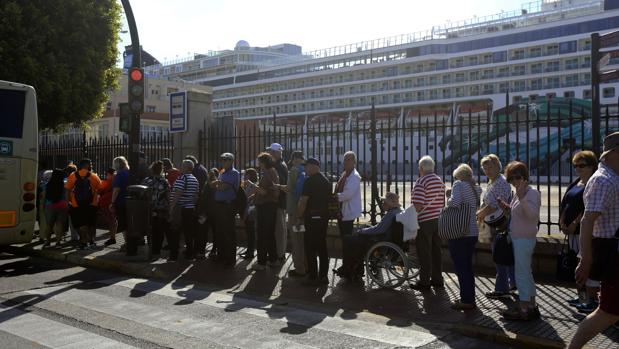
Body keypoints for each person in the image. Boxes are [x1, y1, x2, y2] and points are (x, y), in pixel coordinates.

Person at [569, 132, 619, 349]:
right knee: (608, 313)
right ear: (615, 153)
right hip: (613, 254)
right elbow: (588, 222)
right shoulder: (602, 180)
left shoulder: (613, 177)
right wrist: (586, 260)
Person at [499, 161, 541, 321]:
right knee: (526, 272)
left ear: (525, 176)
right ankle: (531, 305)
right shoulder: (520, 192)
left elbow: (532, 216)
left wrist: (522, 197)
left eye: (518, 177)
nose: (515, 181)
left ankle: (524, 308)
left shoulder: (531, 193)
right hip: (519, 237)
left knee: (521, 274)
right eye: (511, 178)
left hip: (524, 238)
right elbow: (519, 213)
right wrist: (506, 207)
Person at [560, 151, 599, 313]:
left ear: (592, 166)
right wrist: (562, 221)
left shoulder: (593, 183)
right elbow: (566, 203)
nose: (578, 169)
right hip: (571, 231)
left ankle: (592, 300)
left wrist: (574, 224)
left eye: (582, 166)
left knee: (585, 264)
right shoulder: (577, 182)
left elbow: (587, 210)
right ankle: (582, 298)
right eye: (575, 166)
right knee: (577, 265)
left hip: (582, 231)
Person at [337, 192, 403, 281]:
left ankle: (349, 268)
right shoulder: (397, 211)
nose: (382, 204)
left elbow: (379, 229)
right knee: (357, 236)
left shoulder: (391, 214)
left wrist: (362, 231)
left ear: (389, 204)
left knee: (348, 239)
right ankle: (354, 269)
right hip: (386, 238)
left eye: (384, 202)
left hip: (380, 240)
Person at [477, 154, 516, 299]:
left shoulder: (499, 182)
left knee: (500, 256)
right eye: (485, 168)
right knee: (506, 254)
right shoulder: (493, 181)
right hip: (498, 223)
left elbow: (493, 205)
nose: (487, 170)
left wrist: (480, 213)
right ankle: (512, 283)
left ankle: (501, 288)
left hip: (500, 223)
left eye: (490, 167)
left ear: (498, 166)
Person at [445, 164, 482, 310]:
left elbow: (455, 203)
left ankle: (466, 300)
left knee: (461, 267)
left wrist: (448, 196)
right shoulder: (476, 188)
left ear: (459, 175)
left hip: (459, 231)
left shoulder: (458, 185)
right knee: (467, 266)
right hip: (472, 231)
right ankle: (469, 297)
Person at [410, 155, 445, 289]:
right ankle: (437, 278)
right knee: (436, 250)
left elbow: (418, 206)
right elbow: (442, 202)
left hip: (425, 221)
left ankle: (424, 281)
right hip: (438, 219)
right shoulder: (439, 181)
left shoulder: (421, 181)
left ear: (421, 168)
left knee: (424, 251)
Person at [296, 157, 331, 286]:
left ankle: (312, 276)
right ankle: (323, 276)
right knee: (322, 247)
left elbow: (303, 201)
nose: (305, 168)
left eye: (306, 166)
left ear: (312, 166)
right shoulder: (326, 180)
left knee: (310, 247)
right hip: (323, 218)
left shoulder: (309, 181)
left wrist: (299, 217)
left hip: (311, 218)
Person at [65, 158, 102, 250]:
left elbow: (68, 190)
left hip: (76, 204)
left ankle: (83, 242)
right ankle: (92, 241)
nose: (91, 165)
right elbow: (101, 189)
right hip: (91, 204)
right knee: (91, 223)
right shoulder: (93, 176)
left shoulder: (73, 176)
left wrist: (68, 201)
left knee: (81, 223)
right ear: (86, 165)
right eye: (90, 164)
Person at [211, 153, 240, 267]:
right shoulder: (223, 172)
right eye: (222, 159)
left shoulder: (234, 173)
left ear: (231, 161)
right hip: (219, 205)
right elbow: (213, 185)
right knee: (220, 232)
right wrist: (218, 183)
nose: (223, 161)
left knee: (228, 232)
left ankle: (230, 258)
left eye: (226, 159)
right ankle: (221, 255)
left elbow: (223, 187)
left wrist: (218, 184)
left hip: (228, 206)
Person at [252, 153, 280, 270]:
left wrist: (255, 188)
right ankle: (273, 260)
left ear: (263, 162)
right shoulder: (271, 172)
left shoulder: (269, 173)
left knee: (262, 234)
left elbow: (271, 191)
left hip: (266, 206)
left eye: (259, 161)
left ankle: (261, 263)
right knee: (269, 234)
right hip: (268, 206)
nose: (258, 164)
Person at [169, 159, 200, 261]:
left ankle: (173, 256)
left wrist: (171, 207)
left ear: (186, 167)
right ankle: (189, 255)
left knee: (175, 233)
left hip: (180, 209)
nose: (180, 167)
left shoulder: (182, 178)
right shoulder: (195, 179)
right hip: (190, 209)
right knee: (188, 233)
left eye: (182, 166)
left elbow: (177, 194)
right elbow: (196, 196)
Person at [284, 151, 308, 277]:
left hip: (294, 211)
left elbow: (289, 188)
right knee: (302, 238)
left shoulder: (294, 170)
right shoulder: (305, 170)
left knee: (296, 239)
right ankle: (305, 264)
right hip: (302, 211)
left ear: (294, 159)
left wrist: (278, 186)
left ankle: (299, 268)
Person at [335, 151, 362, 258]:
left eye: (349, 159)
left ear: (354, 162)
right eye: (345, 159)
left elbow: (347, 195)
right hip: (341, 212)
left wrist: (334, 197)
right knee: (344, 239)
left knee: (347, 240)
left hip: (348, 212)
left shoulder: (354, 176)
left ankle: (348, 265)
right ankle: (346, 264)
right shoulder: (345, 174)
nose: (346, 162)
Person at [142, 161, 170, 257]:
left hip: (149, 208)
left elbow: (142, 194)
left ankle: (151, 248)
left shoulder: (146, 180)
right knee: (160, 230)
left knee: (150, 229)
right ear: (161, 170)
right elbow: (168, 196)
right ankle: (157, 250)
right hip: (161, 209)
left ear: (152, 169)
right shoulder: (164, 181)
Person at [267, 143, 288, 263]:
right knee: (279, 229)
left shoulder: (278, 166)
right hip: (279, 202)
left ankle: (280, 254)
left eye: (270, 151)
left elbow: (279, 185)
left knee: (279, 230)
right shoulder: (280, 164)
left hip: (279, 202)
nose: (269, 154)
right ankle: (279, 253)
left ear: (275, 153)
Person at [41, 169, 69, 247]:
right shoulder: (65, 184)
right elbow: (67, 196)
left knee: (49, 225)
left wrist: (43, 206)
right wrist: (67, 204)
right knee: (59, 223)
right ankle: (58, 242)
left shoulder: (47, 184)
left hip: (50, 206)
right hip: (62, 205)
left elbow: (44, 196)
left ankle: (48, 242)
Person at [110, 156, 131, 254]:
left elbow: (116, 190)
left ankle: (127, 243)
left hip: (121, 202)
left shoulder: (119, 175)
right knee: (130, 222)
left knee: (123, 223)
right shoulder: (130, 172)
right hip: (131, 201)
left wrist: (112, 202)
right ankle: (131, 242)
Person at [240, 168, 258, 260]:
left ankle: (250, 252)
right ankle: (248, 250)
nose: (244, 176)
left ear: (250, 175)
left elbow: (249, 198)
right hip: (247, 210)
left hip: (251, 211)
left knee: (251, 232)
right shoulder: (247, 185)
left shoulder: (253, 185)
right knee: (248, 231)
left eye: (246, 174)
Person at [98, 168, 117, 246]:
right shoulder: (116, 181)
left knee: (110, 221)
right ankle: (113, 235)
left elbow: (99, 191)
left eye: (107, 175)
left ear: (109, 174)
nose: (106, 176)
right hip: (113, 203)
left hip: (106, 203)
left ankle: (112, 237)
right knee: (114, 220)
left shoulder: (107, 182)